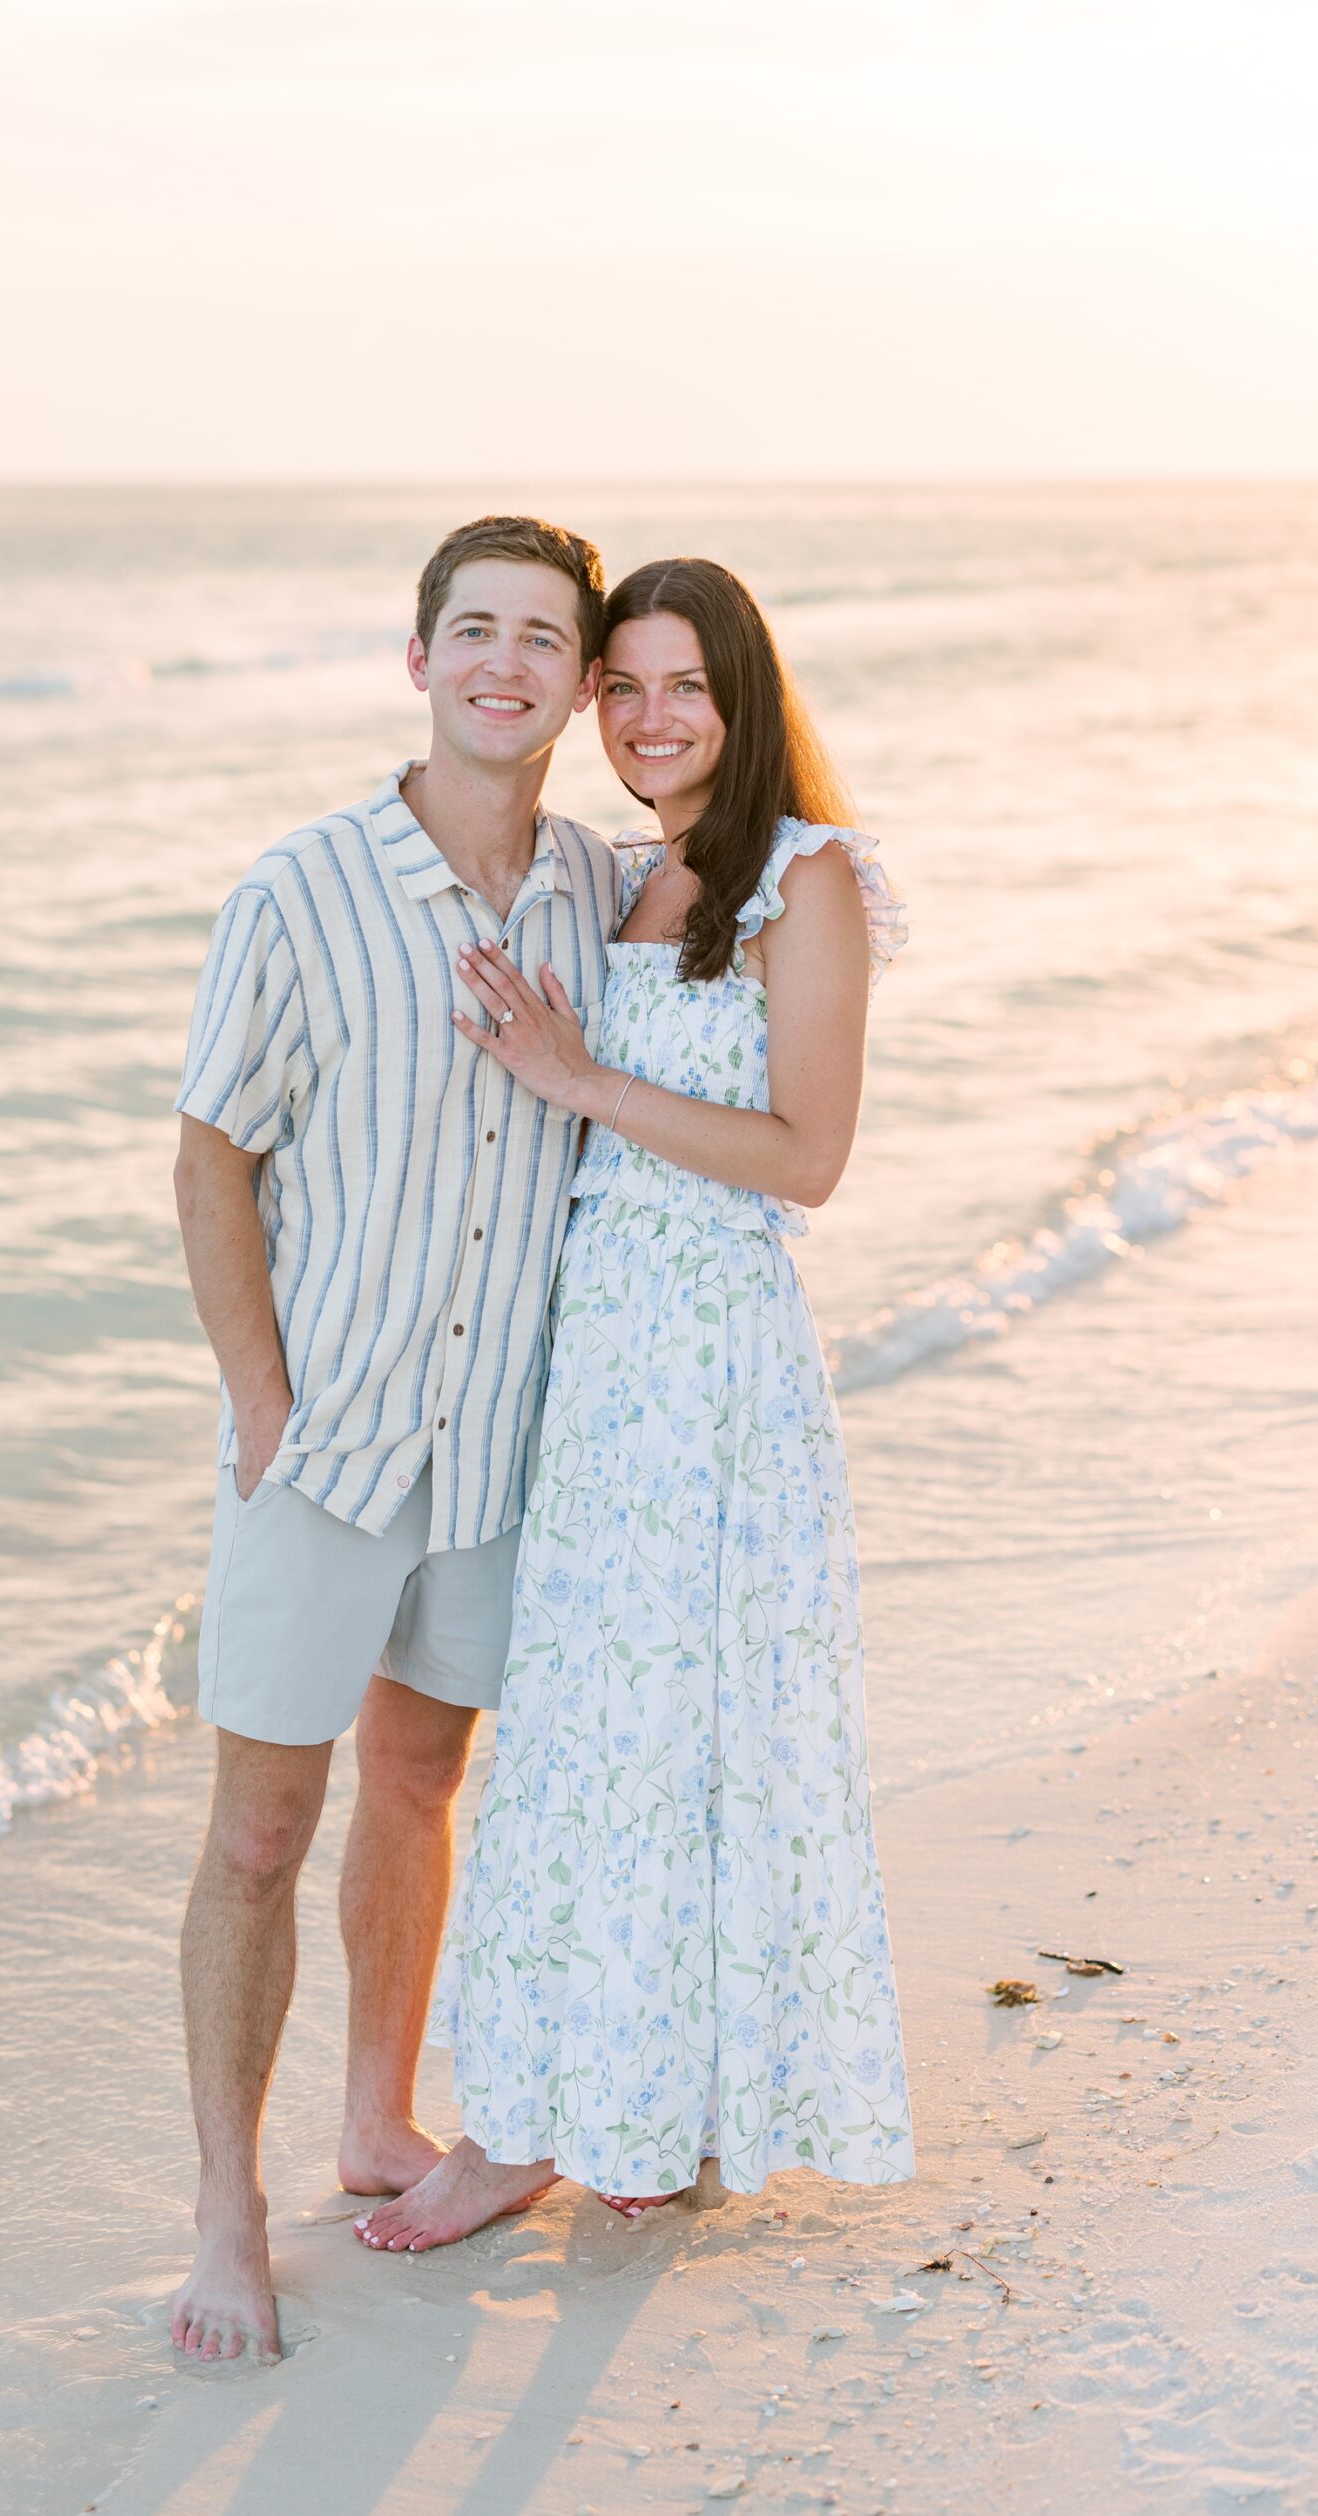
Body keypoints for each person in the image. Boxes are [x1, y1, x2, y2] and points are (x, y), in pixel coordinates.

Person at [354, 556, 915, 2253]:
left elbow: (806, 1162)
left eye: (686, 685)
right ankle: (609, 2111)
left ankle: (531, 2125)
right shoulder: (629, 879)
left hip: (708, 1368)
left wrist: (579, 1076)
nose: (651, 716)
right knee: (594, 1741)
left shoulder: (800, 880)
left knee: (672, 1738)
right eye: (628, 687)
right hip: (591, 1359)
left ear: (743, 700)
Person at [167, 516, 623, 2359]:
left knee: (423, 1785)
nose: (505, 665)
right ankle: (221, 2212)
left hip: (497, 1462)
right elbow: (211, 1154)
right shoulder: (299, 890)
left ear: (585, 685)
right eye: (474, 631)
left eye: (542, 641)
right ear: (416, 657)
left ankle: (375, 2113)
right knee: (261, 1835)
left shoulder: (607, 892)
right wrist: (262, 1405)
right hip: (328, 1452)